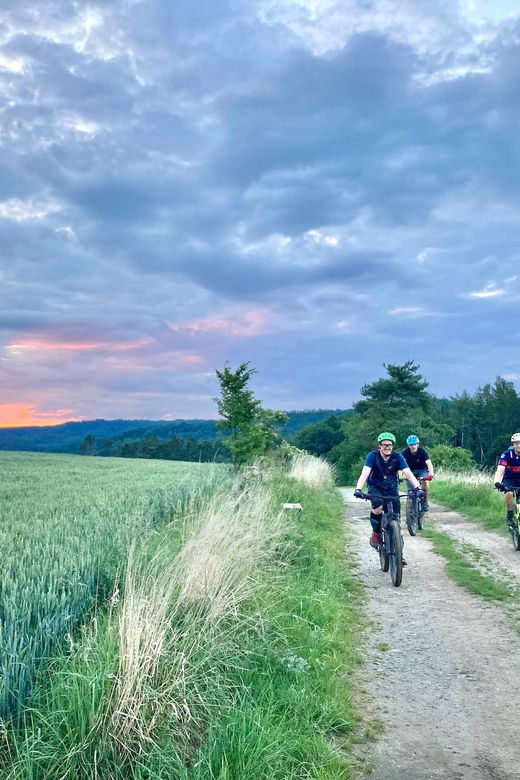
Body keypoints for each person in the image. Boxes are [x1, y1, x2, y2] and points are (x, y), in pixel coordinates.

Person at [353, 432, 424, 550]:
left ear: (393, 446)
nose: (387, 447)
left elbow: (408, 473)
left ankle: (397, 547)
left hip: (391, 488)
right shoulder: (372, 456)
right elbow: (365, 473)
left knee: (396, 517)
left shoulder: (397, 457)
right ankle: (376, 533)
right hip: (376, 487)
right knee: (378, 508)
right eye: (384, 445)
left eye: (390, 445)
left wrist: (418, 488)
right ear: (379, 446)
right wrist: (358, 489)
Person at [401, 435, 435, 511]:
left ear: (417, 444)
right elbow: (398, 463)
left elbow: (429, 464)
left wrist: (431, 473)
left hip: (422, 470)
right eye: (411, 445)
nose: (413, 446)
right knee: (411, 491)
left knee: (425, 482)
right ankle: (411, 510)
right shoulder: (404, 453)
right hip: (410, 472)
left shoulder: (422, 452)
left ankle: (424, 500)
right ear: (408, 445)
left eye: (414, 444)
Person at [493, 433, 520, 529]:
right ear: (513, 444)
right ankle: (510, 514)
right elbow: (500, 469)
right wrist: (497, 482)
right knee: (508, 494)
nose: (519, 445)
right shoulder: (507, 454)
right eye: (516, 443)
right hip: (510, 480)